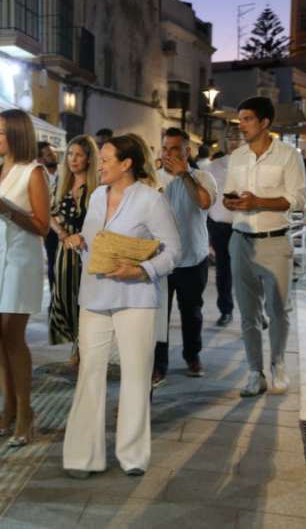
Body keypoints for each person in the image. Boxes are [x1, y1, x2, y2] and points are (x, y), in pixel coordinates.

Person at [61, 134, 180, 479]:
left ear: (126, 164)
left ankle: (133, 455)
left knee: (136, 374)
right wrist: (79, 241)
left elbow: (174, 250)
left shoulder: (151, 200)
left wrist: (142, 271)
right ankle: (83, 456)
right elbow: (95, 241)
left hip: (136, 298)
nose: (99, 165)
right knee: (90, 372)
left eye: (106, 160)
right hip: (94, 296)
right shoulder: (98, 196)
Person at [0, 109, 50, 448]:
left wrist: (7, 210)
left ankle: (25, 412)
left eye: (0, 131)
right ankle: (6, 408)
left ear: (17, 135)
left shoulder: (34, 172)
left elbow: (42, 226)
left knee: (13, 336)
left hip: (20, 260)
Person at [223, 96, 306, 397]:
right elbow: (229, 193)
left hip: (275, 240)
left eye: (247, 119)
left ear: (264, 122)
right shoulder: (237, 156)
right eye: (240, 119)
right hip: (240, 239)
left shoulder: (288, 155)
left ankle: (278, 364)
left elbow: (297, 199)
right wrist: (231, 202)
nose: (241, 125)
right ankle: (254, 372)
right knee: (248, 312)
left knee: (279, 309)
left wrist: (258, 202)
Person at [151, 128, 216, 387]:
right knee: (159, 316)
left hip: (193, 258)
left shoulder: (202, 177)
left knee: (192, 312)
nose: (168, 154)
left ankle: (192, 355)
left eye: (175, 149)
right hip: (161, 259)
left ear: (187, 151)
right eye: (165, 148)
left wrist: (184, 175)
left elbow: (204, 202)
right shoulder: (153, 178)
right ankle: (159, 365)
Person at [48, 135, 99, 366]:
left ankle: (82, 348)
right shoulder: (61, 181)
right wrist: (61, 232)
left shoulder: (98, 186)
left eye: (78, 155)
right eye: (70, 154)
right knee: (64, 295)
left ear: (89, 158)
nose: (73, 159)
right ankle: (76, 343)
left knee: (86, 298)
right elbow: (49, 212)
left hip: (89, 249)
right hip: (65, 249)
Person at [206, 137, 240, 327]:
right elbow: (207, 195)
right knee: (223, 270)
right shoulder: (214, 166)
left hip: (244, 226)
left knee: (248, 271)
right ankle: (226, 310)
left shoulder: (253, 166)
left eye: (238, 139)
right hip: (219, 225)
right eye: (232, 139)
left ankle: (254, 312)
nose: (235, 143)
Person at [38, 141, 61, 291]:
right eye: (48, 154)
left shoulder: (66, 172)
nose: (53, 156)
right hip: (50, 227)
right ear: (40, 159)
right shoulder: (38, 177)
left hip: (67, 222)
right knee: (53, 261)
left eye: (53, 152)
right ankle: (54, 295)